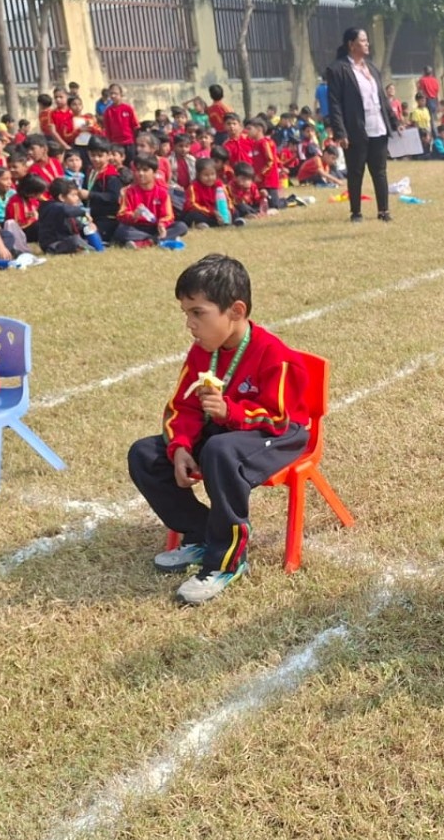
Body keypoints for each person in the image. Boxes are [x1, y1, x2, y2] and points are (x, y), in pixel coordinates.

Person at [127, 253, 312, 605]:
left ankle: (226, 561)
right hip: (225, 433)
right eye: (186, 314)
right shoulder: (202, 352)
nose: (190, 324)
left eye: (198, 313)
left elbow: (280, 417)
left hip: (278, 435)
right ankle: (201, 533)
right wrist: (180, 446)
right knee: (145, 454)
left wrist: (231, 411)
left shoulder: (274, 355)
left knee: (219, 451)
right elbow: (183, 406)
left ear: (236, 311)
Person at [325, 26, 398, 224]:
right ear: (351, 44)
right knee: (356, 172)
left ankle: (383, 210)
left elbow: (382, 98)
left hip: (378, 127)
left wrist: (394, 121)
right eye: (363, 41)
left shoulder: (372, 68)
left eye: (367, 40)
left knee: (380, 171)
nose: (367, 44)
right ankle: (356, 212)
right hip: (355, 129)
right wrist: (341, 132)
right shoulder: (338, 69)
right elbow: (334, 103)